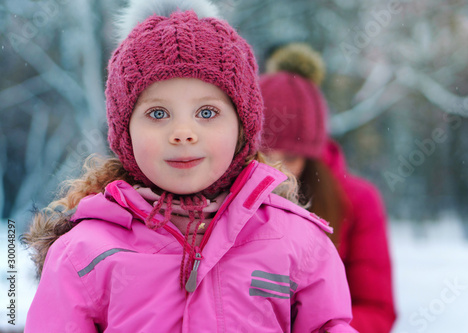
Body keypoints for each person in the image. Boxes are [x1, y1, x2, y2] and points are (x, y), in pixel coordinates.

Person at [22, 2, 358, 332]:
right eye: (158, 114)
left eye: (207, 113)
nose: (183, 133)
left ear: (243, 127)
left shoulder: (296, 243)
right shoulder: (83, 255)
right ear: (125, 131)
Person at [259, 43, 397, 333]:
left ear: (311, 156)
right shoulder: (222, 201)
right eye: (264, 154)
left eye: (291, 157)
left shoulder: (357, 201)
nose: (276, 170)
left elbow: (376, 309)